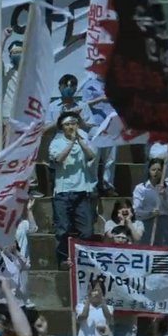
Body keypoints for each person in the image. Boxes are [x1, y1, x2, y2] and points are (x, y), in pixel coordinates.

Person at [48, 112, 97, 266]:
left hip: (82, 190)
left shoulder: (84, 138)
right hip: (63, 192)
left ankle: (82, 258)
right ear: (62, 127)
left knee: (87, 230)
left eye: (74, 123)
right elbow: (58, 159)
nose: (71, 127)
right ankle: (63, 259)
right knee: (62, 229)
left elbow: (91, 155)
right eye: (67, 124)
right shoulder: (56, 142)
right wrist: (70, 143)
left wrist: (79, 141)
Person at [133, 158, 168, 247]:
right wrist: (150, 213)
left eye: (159, 170)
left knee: (165, 247)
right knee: (147, 247)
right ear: (149, 170)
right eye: (153, 170)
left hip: (164, 222)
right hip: (146, 222)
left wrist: (165, 195)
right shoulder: (141, 188)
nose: (156, 172)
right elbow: (137, 210)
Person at [0, 32, 22, 126]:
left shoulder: (32, 71)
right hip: (8, 114)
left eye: (20, 52)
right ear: (10, 56)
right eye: (14, 53)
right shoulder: (5, 70)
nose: (17, 55)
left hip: (27, 114)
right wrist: (4, 37)